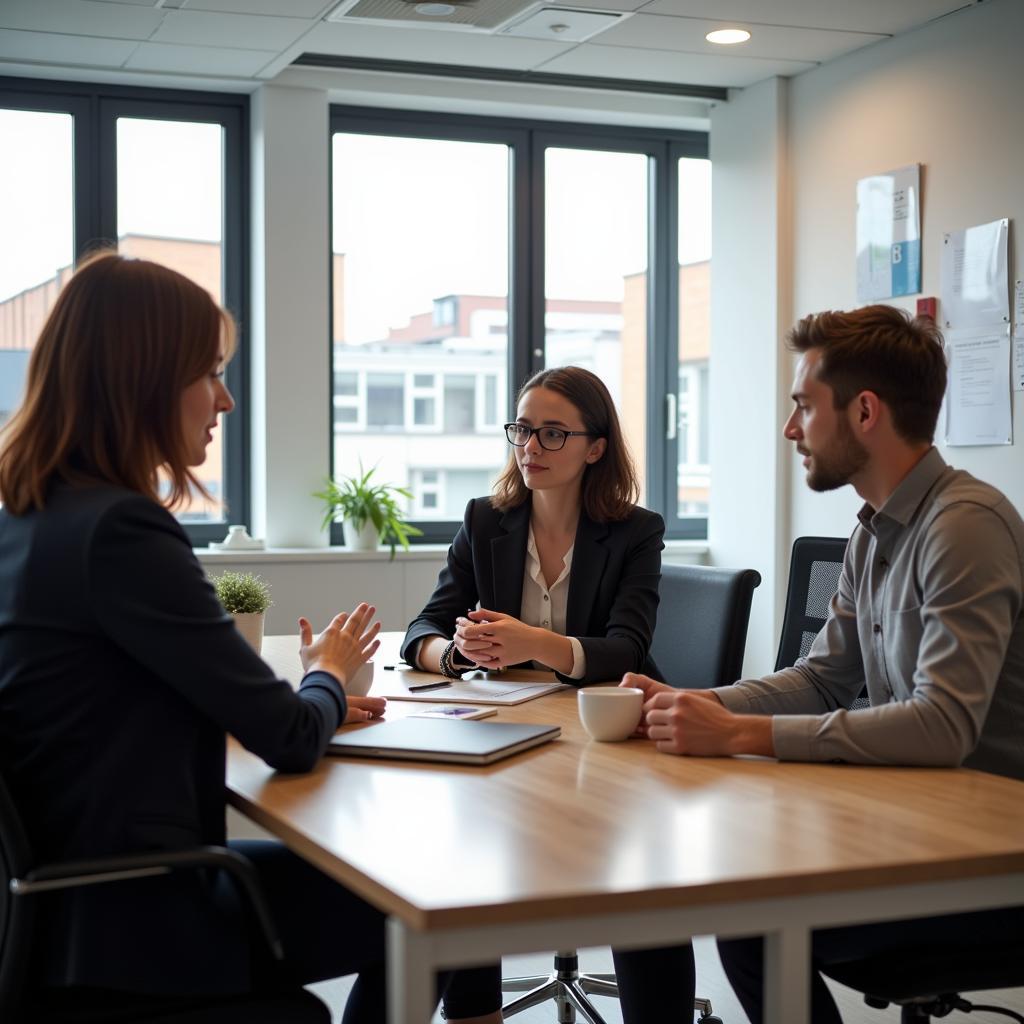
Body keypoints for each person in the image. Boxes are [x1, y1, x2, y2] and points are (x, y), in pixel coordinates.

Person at [0, 251, 490, 1024]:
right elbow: (291, 739)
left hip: (54, 913)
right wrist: (326, 673)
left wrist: (308, 695)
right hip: (135, 920)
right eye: (210, 373)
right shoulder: (122, 532)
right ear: (143, 382)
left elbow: (102, 704)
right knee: (435, 901)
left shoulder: (30, 520)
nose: (224, 400)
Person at [623, 304, 1024, 1024]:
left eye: (804, 406)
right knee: (736, 891)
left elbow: (944, 727)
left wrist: (739, 735)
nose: (790, 429)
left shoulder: (964, 526)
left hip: (991, 861)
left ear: (864, 411)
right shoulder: (874, 530)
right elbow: (822, 678)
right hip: (921, 823)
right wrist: (698, 704)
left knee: (754, 913)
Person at [402, 364, 693, 1022]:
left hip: (608, 741)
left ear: (596, 447)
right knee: (465, 861)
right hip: (509, 733)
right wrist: (453, 654)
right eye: (523, 430)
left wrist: (535, 644)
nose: (530, 446)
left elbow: (628, 647)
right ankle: (475, 1011)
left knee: (643, 886)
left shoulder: (635, 531)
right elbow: (421, 627)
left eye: (553, 433)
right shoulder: (486, 521)